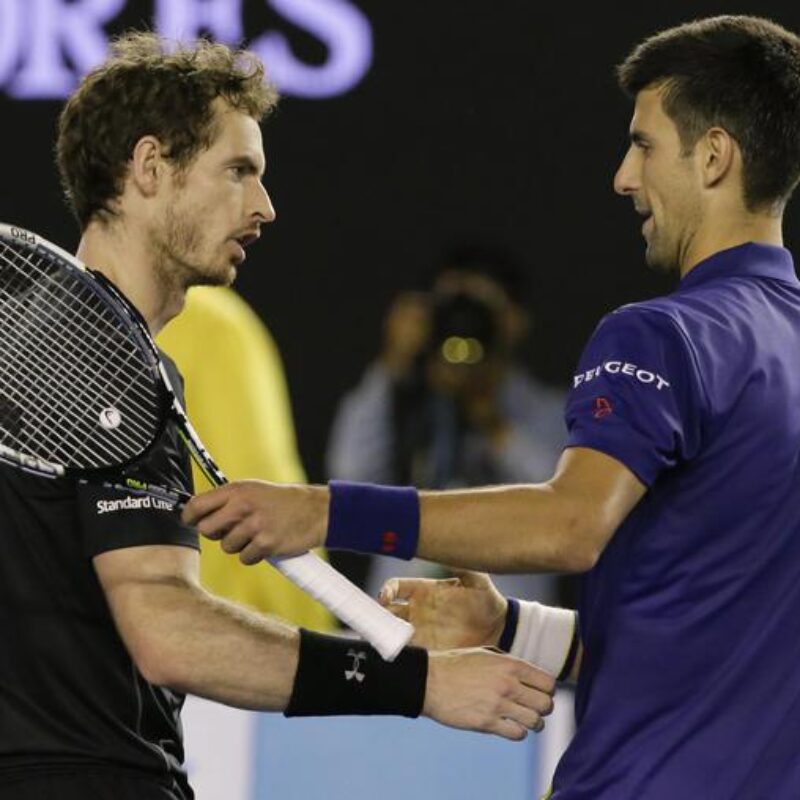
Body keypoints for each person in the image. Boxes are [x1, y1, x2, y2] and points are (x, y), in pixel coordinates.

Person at [184, 15, 800, 798]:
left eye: (644, 145)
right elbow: (712, 638)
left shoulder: (663, 335)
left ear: (714, 157)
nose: (623, 176)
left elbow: (569, 526)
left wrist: (323, 511)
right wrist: (510, 627)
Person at [0, 33, 557, 800]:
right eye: (238, 171)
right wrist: (420, 682)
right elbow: (169, 632)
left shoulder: (48, 339)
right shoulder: (105, 358)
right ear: (150, 167)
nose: (264, 205)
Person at [327, 247, 564, 599]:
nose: (464, 321)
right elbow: (348, 475)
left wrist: (489, 415)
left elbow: (563, 501)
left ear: (515, 320)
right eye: (452, 307)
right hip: (399, 622)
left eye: (481, 308)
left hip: (502, 630)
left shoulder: (552, 409)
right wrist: (392, 366)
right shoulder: (401, 399)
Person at [157, 285, 335, 630]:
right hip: (227, 637)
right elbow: (261, 485)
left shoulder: (56, 319)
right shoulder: (214, 322)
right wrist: (308, 638)